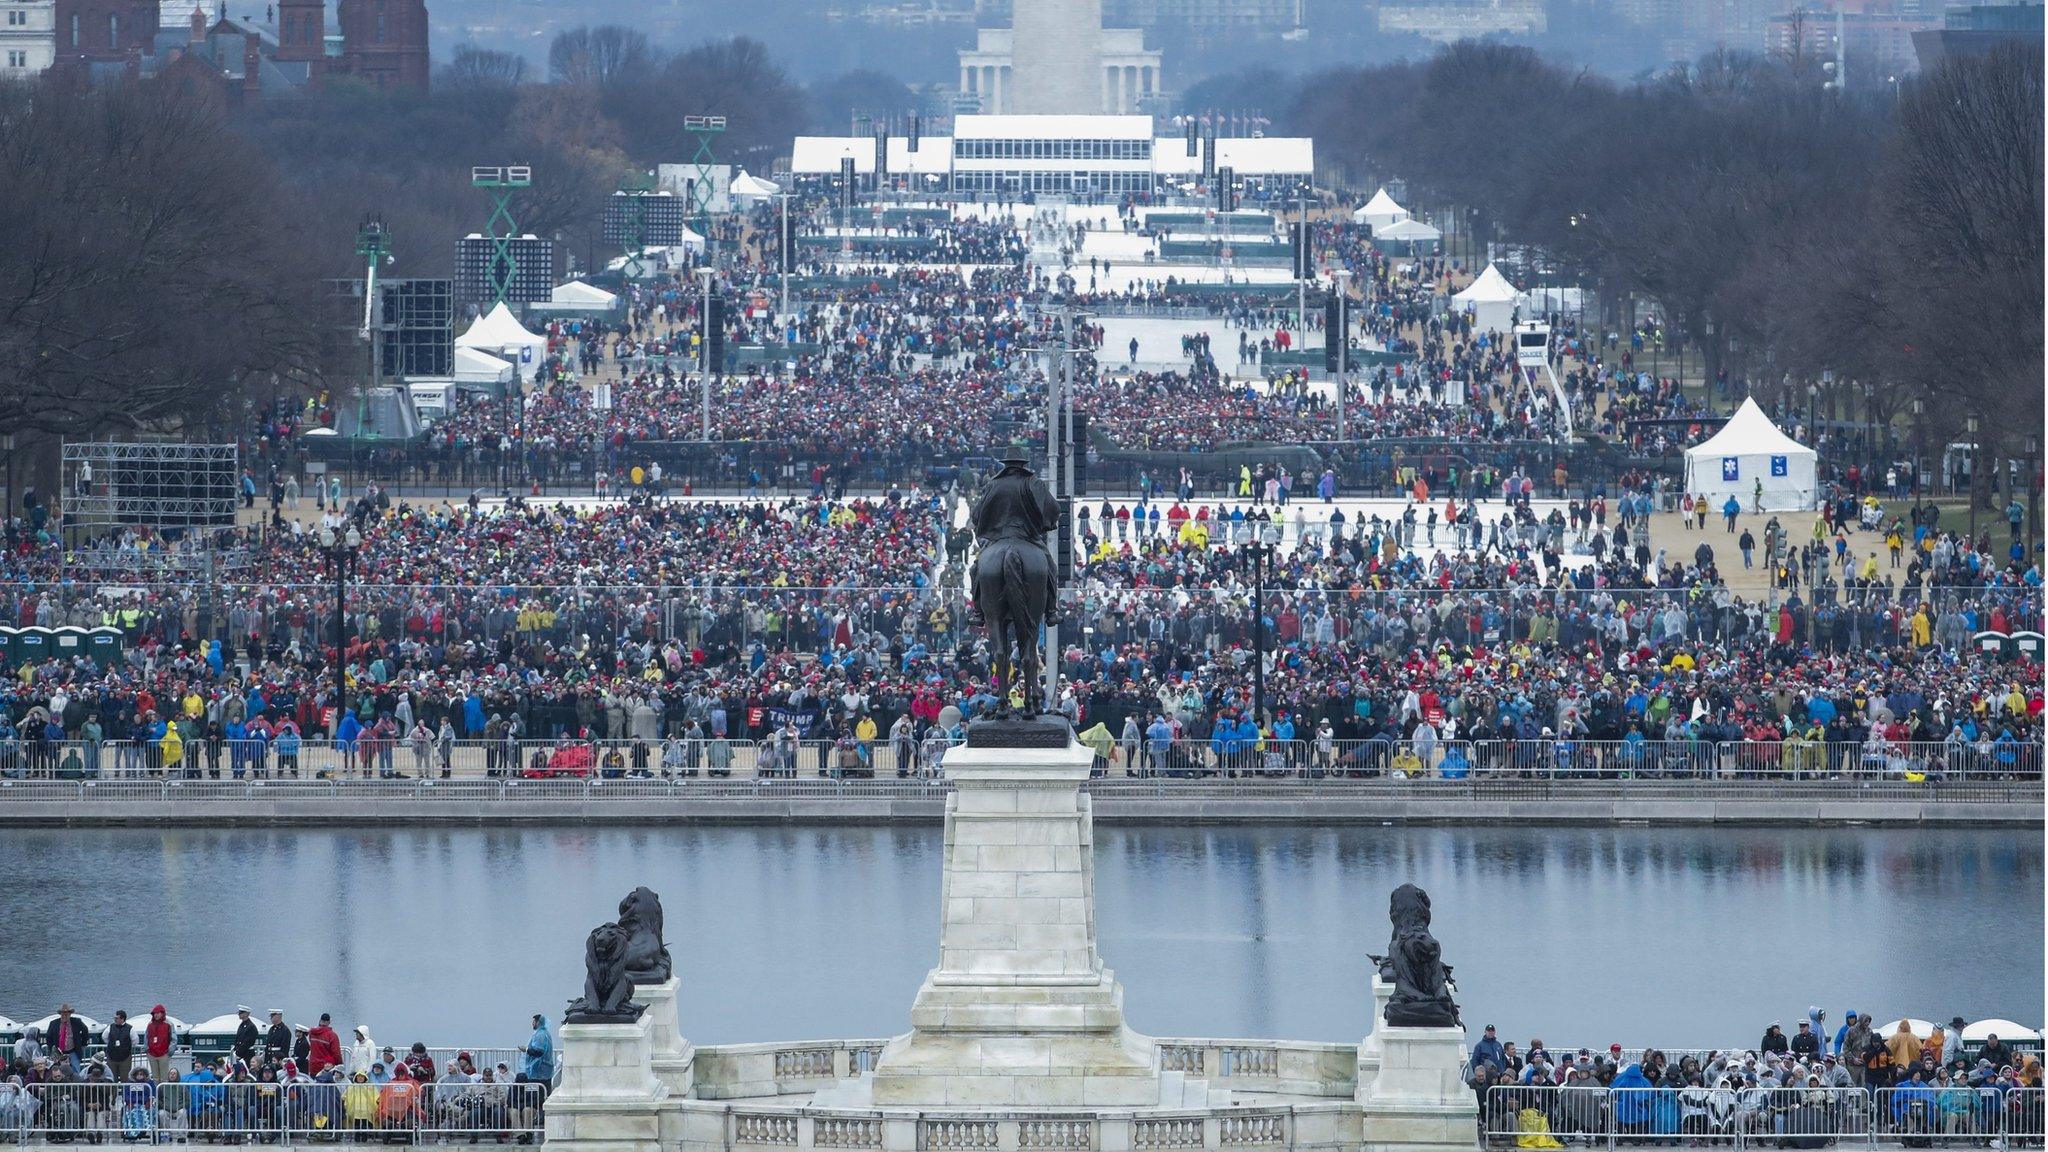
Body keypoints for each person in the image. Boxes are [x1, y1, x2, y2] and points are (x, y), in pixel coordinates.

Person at [520, 1014, 555, 1096]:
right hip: (543, 1072)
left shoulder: (540, 1035)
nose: (532, 1023)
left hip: (539, 1072)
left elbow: (538, 1052)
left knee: (538, 1096)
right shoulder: (544, 1033)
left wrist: (526, 1049)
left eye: (533, 1021)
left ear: (538, 1022)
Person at [48, 1004, 88, 1073]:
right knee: (58, 1071)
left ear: (70, 1014)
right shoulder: (53, 1023)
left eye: (67, 1014)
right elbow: (49, 1037)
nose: (64, 1015)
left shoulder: (77, 1021)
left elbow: (85, 1030)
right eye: (63, 1014)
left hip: (73, 1051)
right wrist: (52, 1048)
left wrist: (83, 1044)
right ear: (60, 1014)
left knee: (76, 1071)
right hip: (58, 1053)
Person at [103, 1009, 136, 1084]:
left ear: (122, 1019)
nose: (114, 1019)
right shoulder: (110, 1027)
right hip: (111, 1057)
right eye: (114, 1018)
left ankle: (125, 1094)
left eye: (116, 1018)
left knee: (125, 1078)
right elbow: (104, 1037)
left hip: (125, 1058)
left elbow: (135, 1041)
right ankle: (113, 1095)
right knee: (112, 1078)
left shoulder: (130, 1029)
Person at [144, 1006, 175, 1083]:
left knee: (164, 1078)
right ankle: (157, 1093)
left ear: (162, 1013)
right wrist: (147, 1049)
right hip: (151, 1054)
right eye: (154, 1013)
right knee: (155, 1077)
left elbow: (173, 1038)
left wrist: (170, 1052)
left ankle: (164, 1094)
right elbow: (146, 1037)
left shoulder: (169, 1024)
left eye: (158, 1013)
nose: (156, 1015)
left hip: (164, 1054)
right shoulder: (150, 1024)